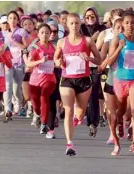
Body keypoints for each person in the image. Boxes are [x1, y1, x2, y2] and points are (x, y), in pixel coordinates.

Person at [53, 13, 101, 156]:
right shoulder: (62, 42)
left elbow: (99, 60)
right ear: (67, 25)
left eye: (77, 23)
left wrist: (89, 58)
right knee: (68, 109)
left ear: (81, 24)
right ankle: (69, 144)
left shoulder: (87, 41)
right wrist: (59, 62)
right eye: (72, 23)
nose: (74, 26)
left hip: (84, 80)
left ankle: (77, 118)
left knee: (79, 113)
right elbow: (56, 59)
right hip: (67, 79)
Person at [106, 8, 134, 155]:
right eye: (127, 22)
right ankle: (116, 142)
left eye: (133, 22)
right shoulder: (118, 39)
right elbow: (110, 62)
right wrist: (119, 48)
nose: (130, 25)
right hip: (120, 79)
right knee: (119, 112)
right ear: (122, 24)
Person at [26, 24, 57, 137]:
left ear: (50, 35)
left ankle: (44, 124)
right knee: (36, 104)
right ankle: (38, 115)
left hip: (50, 79)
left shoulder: (54, 47)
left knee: (45, 96)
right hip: (35, 81)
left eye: (47, 33)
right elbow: (29, 64)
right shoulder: (35, 48)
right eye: (42, 32)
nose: (45, 35)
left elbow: (58, 61)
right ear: (38, 34)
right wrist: (40, 61)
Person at [80, 7, 107, 137]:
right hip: (82, 65)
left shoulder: (102, 30)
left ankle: (93, 122)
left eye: (92, 16)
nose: (90, 19)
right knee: (84, 94)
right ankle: (80, 114)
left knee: (94, 94)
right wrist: (92, 38)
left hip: (96, 64)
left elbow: (101, 48)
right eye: (87, 17)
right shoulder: (81, 29)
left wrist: (95, 38)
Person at [98, 16, 124, 144]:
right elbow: (102, 59)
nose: (120, 30)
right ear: (112, 30)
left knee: (123, 107)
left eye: (122, 28)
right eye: (117, 28)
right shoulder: (108, 43)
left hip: (126, 77)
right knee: (110, 106)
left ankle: (121, 122)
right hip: (109, 73)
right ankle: (112, 132)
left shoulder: (131, 42)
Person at [3, 11, 28, 121]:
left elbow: (26, 48)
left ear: (18, 20)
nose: (12, 20)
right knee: (7, 86)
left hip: (19, 62)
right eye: (10, 18)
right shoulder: (3, 33)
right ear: (7, 20)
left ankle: (18, 102)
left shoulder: (22, 32)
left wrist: (15, 42)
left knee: (17, 88)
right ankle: (8, 108)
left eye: (14, 18)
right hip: (7, 63)